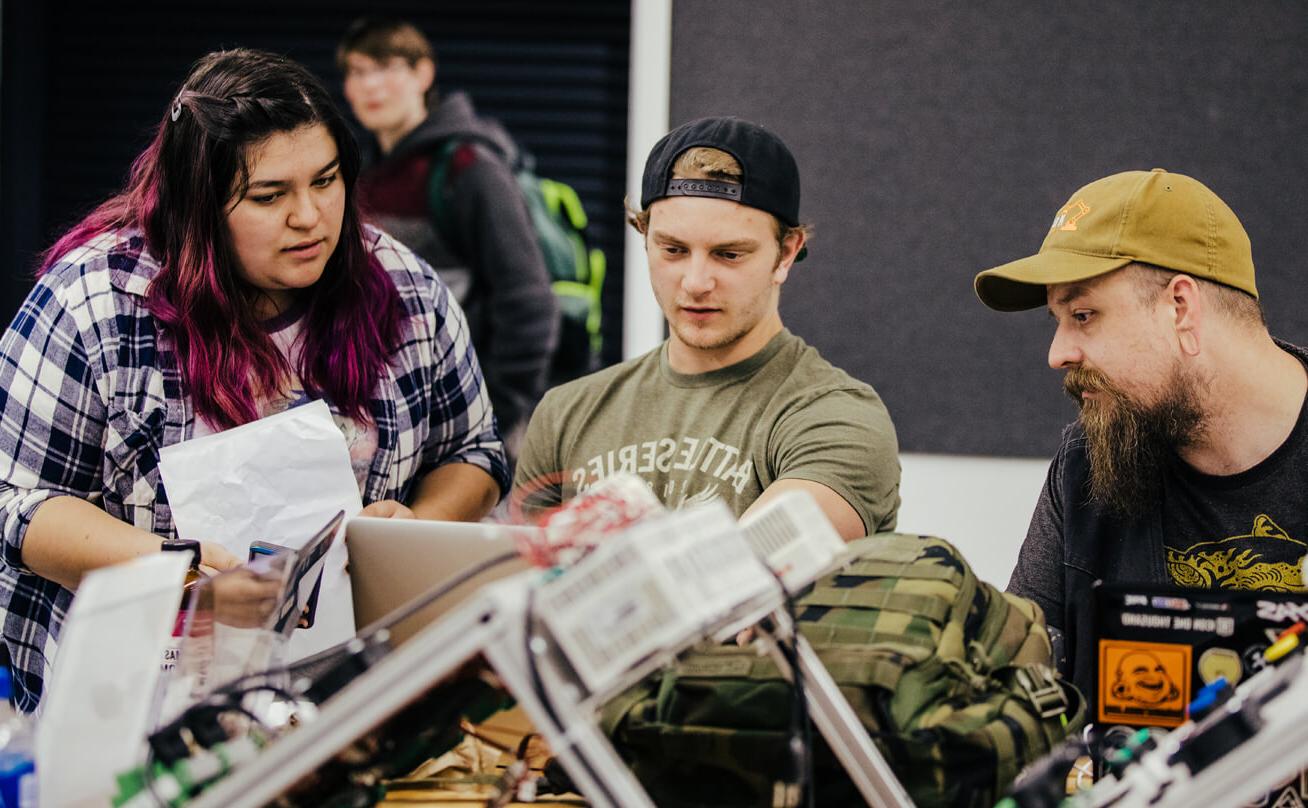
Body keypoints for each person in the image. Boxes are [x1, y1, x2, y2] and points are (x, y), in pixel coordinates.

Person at [0, 49, 508, 711]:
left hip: (346, 702)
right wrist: (175, 572)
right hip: (128, 708)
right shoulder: (92, 303)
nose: (311, 217)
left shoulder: (403, 287)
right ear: (199, 205)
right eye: (270, 195)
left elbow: (473, 452)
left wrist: (410, 529)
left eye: (326, 181)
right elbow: (20, 504)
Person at [974, 168, 1308, 707]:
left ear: (1181, 307)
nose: (1057, 354)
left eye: (1083, 314)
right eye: (1059, 320)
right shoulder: (1086, 466)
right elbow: (1014, 687)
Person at [513, 117, 900, 539]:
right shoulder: (565, 415)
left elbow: (743, 572)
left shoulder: (835, 417)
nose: (696, 282)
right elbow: (515, 582)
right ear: (644, 236)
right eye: (673, 250)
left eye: (729, 255)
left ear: (786, 253)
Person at [338, 18, 558, 460]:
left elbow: (530, 303)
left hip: (466, 421)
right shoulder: (366, 173)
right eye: (357, 72)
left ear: (423, 73)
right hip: (398, 416)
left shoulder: (468, 167)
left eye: (385, 67)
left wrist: (491, 410)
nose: (369, 86)